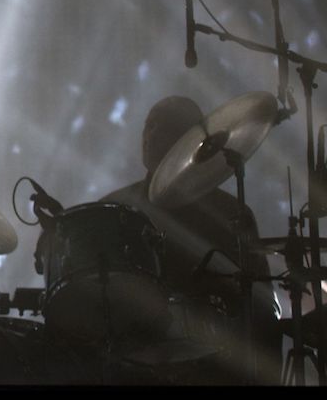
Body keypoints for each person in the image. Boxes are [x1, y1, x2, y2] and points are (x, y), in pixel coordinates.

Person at [98, 96, 281, 385]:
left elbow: (262, 309)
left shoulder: (232, 214)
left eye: (163, 126)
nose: (150, 134)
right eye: (148, 125)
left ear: (189, 139)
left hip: (215, 363)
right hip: (131, 359)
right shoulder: (114, 207)